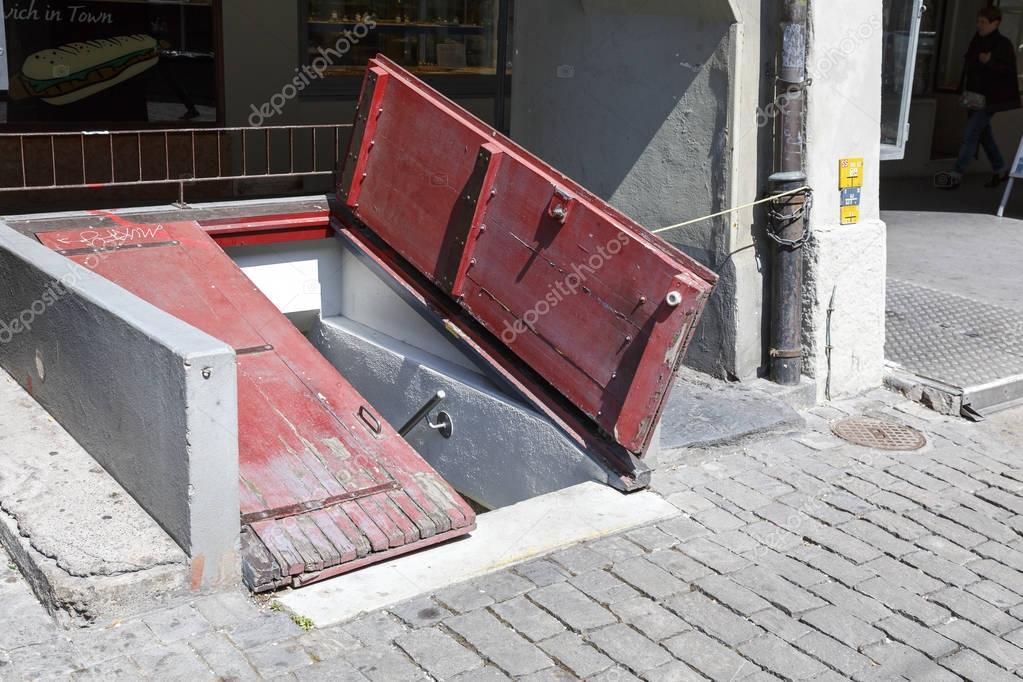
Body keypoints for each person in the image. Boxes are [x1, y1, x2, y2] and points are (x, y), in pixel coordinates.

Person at [944, 6, 1021, 190]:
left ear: (996, 23)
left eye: (984, 22)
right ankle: (1000, 169)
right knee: (983, 134)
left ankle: (957, 173)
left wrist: (989, 62)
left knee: (971, 133)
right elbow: (969, 62)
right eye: (979, 21)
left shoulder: (1003, 44)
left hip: (990, 99)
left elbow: (1008, 71)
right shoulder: (977, 40)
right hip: (974, 96)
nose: (980, 26)